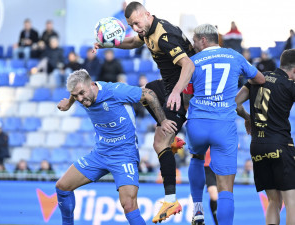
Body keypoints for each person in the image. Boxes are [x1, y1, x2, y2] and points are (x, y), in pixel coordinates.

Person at [93, 2, 195, 222]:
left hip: (185, 91)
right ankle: (173, 136)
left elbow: (188, 65)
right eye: (132, 25)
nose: (135, 28)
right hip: (169, 85)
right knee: (145, 92)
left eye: (137, 23)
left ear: (147, 15)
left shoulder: (164, 36)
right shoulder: (147, 29)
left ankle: (171, 200)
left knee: (159, 143)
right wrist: (109, 44)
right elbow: (131, 42)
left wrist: (178, 93)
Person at [55, 69, 177, 225]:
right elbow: (76, 93)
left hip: (124, 155)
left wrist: (163, 120)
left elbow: (148, 94)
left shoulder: (114, 91)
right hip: (99, 154)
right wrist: (69, 102)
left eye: (81, 93)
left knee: (129, 205)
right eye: (75, 96)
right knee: (62, 187)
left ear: (92, 85)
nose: (80, 98)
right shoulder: (82, 95)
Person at [184, 24, 265, 225]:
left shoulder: (192, 61)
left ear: (203, 39)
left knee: (196, 158)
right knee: (225, 189)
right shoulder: (234, 56)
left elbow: (186, 95)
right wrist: (246, 112)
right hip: (224, 125)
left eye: (194, 40)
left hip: (198, 123)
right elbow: (260, 80)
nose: (193, 45)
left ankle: (197, 208)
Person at [235, 49, 295, 225]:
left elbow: (236, 103)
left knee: (274, 201)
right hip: (281, 146)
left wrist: (247, 118)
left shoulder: (258, 77)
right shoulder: (289, 85)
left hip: (257, 146)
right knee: (291, 201)